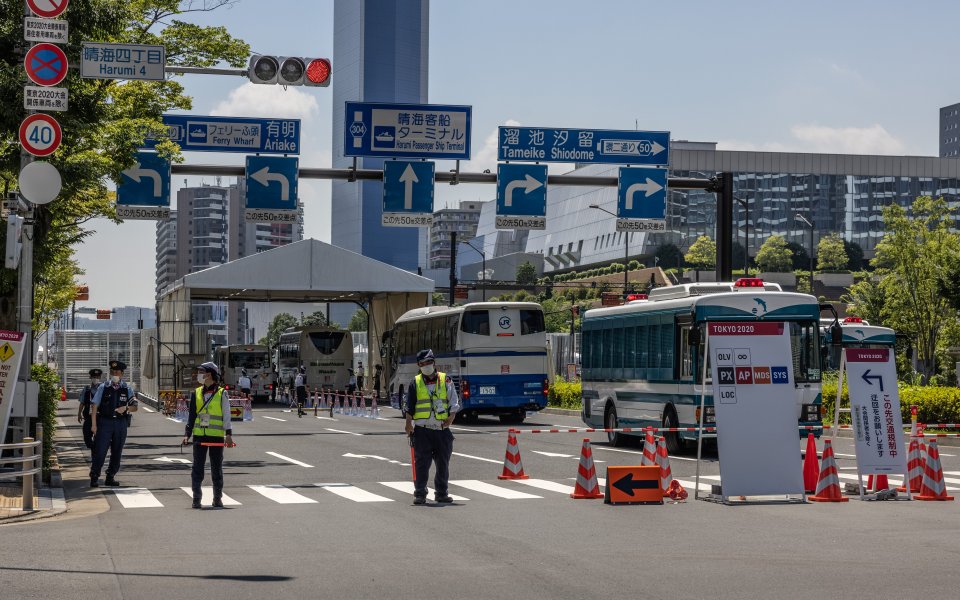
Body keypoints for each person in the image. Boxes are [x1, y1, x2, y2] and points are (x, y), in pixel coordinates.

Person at [404, 349, 460, 505]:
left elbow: (453, 401)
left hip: (442, 429)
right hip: (422, 430)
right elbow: (409, 406)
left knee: (443, 464)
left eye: (429, 362)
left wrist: (451, 418)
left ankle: (441, 493)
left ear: (434, 362)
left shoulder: (445, 380)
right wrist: (408, 424)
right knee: (422, 464)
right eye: (423, 363)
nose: (426, 365)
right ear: (419, 365)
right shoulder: (415, 382)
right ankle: (420, 494)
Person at [182, 362, 234, 509]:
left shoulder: (222, 393)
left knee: (216, 468)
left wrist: (228, 434)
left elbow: (226, 414)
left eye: (201, 371)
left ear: (209, 374)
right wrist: (187, 434)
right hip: (199, 435)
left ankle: (217, 498)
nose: (198, 374)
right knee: (197, 468)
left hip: (216, 436)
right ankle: (196, 498)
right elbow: (191, 416)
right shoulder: (196, 392)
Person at [89, 360, 138, 488]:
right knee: (100, 450)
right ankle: (94, 476)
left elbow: (135, 407)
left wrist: (126, 408)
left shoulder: (126, 388)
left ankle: (110, 476)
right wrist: (94, 425)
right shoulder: (103, 387)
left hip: (120, 424)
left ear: (122, 374)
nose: (115, 374)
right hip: (105, 422)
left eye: (117, 372)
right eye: (113, 371)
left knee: (117, 451)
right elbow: (94, 406)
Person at [77, 368, 102, 450]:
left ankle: (97, 449)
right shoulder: (87, 389)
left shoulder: (103, 388)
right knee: (86, 435)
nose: (96, 379)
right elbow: (82, 402)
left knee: (100, 436)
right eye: (94, 377)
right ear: (90, 378)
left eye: (97, 377)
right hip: (88, 416)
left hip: (101, 417)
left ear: (100, 377)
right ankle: (92, 447)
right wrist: (79, 414)